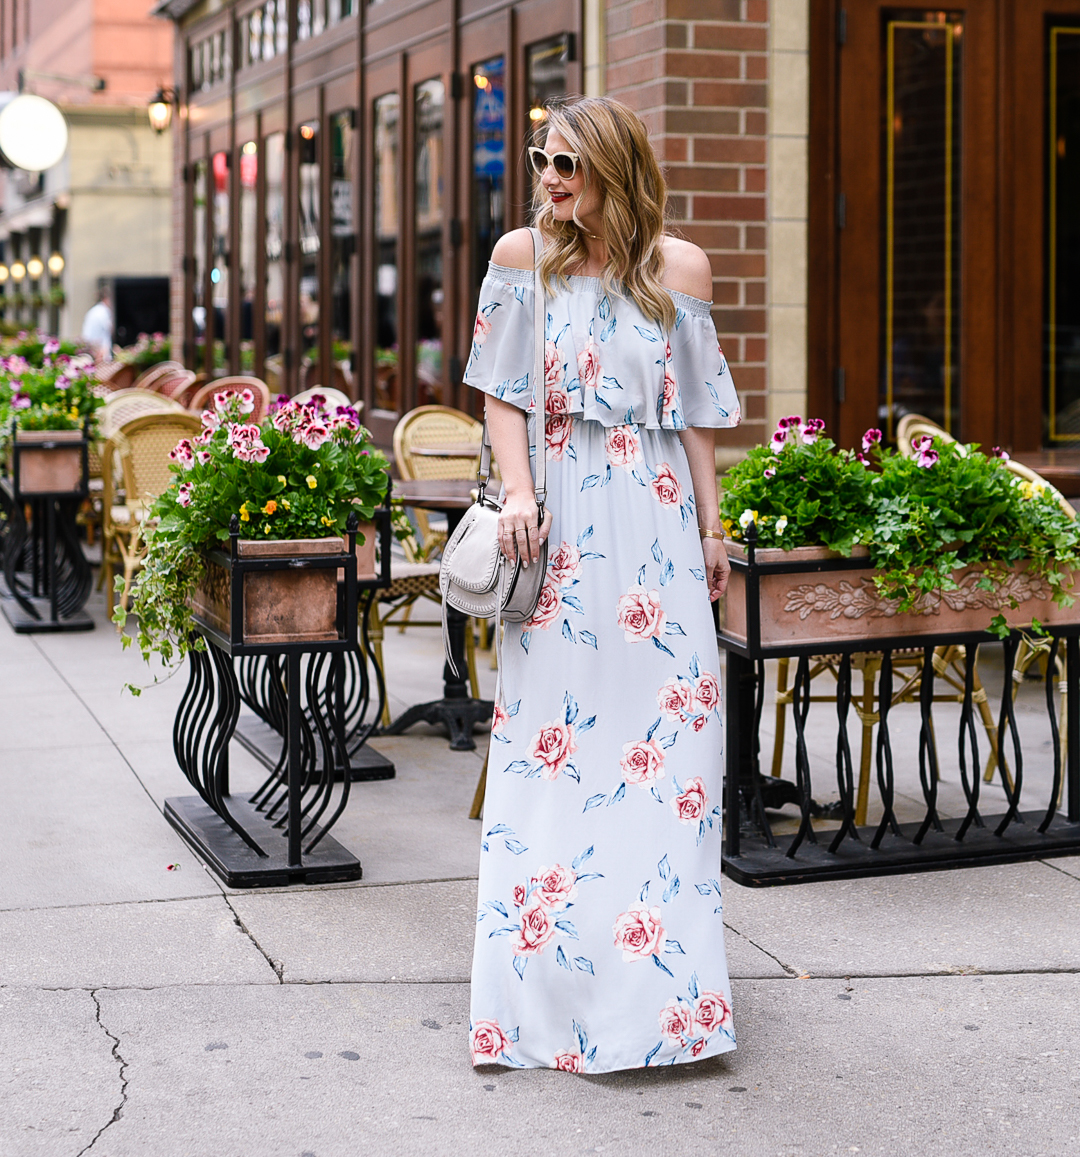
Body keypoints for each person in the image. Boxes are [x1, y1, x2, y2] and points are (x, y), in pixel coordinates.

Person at [463, 96, 741, 1074]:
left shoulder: (681, 269)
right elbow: (499, 392)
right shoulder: (520, 262)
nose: (549, 180)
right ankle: (545, 1003)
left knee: (668, 759)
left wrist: (713, 526)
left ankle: (661, 1006)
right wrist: (520, 491)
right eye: (544, 161)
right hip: (566, 536)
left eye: (569, 166)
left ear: (615, 171)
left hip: (656, 531)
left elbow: (699, 415)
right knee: (561, 757)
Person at [81, 286, 113, 361]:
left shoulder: (94, 310)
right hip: (99, 353)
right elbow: (110, 329)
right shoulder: (103, 311)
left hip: (91, 350)